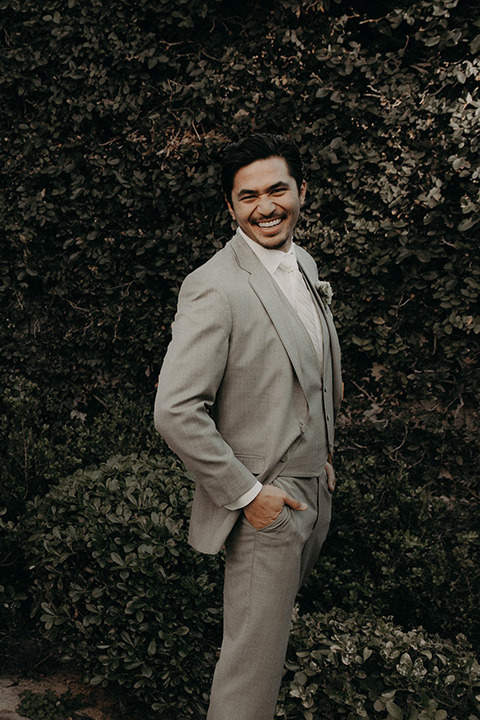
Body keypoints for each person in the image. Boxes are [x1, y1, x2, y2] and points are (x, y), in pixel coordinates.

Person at [154, 133, 342, 720]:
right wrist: (249, 496)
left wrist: (325, 459)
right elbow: (175, 409)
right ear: (232, 207)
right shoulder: (215, 284)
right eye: (249, 195)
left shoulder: (305, 264)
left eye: (277, 189)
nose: (266, 206)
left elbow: (310, 375)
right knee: (250, 672)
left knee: (268, 658)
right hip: (267, 505)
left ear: (301, 192)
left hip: (315, 490)